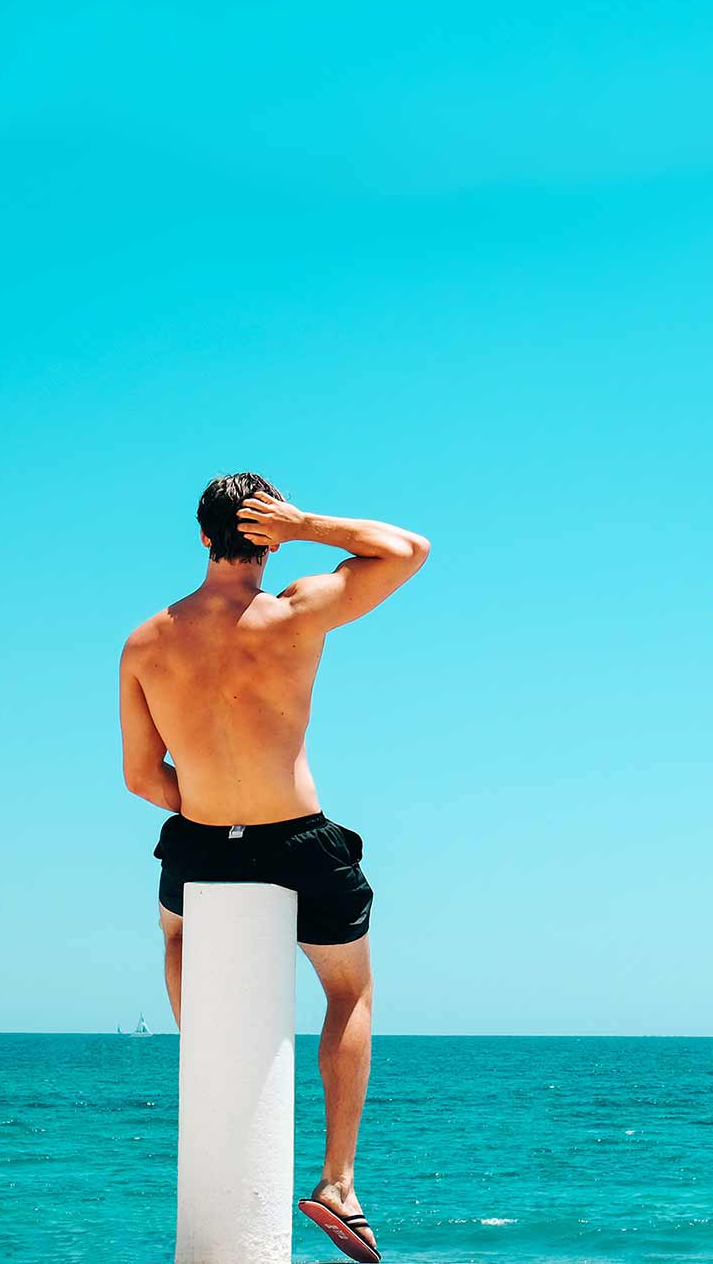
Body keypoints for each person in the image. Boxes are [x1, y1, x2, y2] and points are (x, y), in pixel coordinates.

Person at [119, 472, 429, 1263]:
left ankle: (219, 1067)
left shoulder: (147, 638)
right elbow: (408, 550)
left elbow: (141, 777)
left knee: (177, 936)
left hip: (198, 842)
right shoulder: (296, 609)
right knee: (349, 988)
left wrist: (213, 805)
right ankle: (338, 1182)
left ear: (200, 537)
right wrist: (308, 522)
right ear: (270, 536)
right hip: (297, 841)